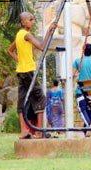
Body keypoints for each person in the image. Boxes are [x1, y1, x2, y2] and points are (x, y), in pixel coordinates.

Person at [7, 11, 56, 139]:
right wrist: (49, 31)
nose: (32, 21)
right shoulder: (26, 35)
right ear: (23, 22)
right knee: (40, 98)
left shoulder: (19, 35)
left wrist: (20, 60)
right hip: (28, 72)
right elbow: (41, 46)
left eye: (33, 19)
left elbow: (9, 50)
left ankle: (24, 131)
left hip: (21, 72)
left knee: (22, 101)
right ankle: (39, 132)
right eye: (30, 19)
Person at [73, 44, 91, 134]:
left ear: (83, 50)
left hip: (80, 90)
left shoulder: (78, 61)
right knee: (89, 109)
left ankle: (90, 124)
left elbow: (72, 74)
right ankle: (87, 129)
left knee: (82, 108)